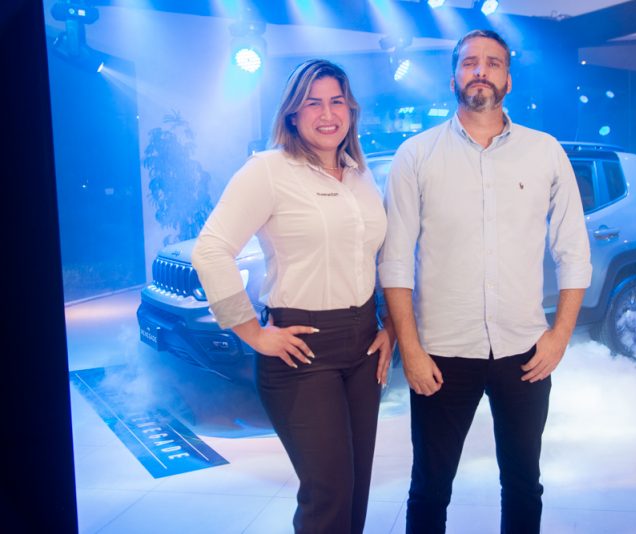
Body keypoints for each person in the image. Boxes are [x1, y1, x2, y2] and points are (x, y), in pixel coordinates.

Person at [379, 30, 592, 533]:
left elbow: (573, 251)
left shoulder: (545, 152)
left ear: (508, 80)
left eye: (493, 63)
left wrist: (559, 336)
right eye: (469, 62)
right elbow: (394, 261)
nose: (481, 71)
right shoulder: (416, 155)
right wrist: (411, 349)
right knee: (429, 487)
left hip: (524, 351)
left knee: (523, 484)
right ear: (453, 76)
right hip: (441, 352)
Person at [192, 59, 394, 534]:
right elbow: (211, 249)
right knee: (329, 493)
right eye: (313, 103)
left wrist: (387, 325)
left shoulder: (360, 174)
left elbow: (374, 255)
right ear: (292, 114)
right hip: (303, 349)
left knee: (355, 489)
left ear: (351, 110)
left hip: (364, 345)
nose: (327, 114)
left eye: (337, 101)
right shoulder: (268, 170)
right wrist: (252, 332)